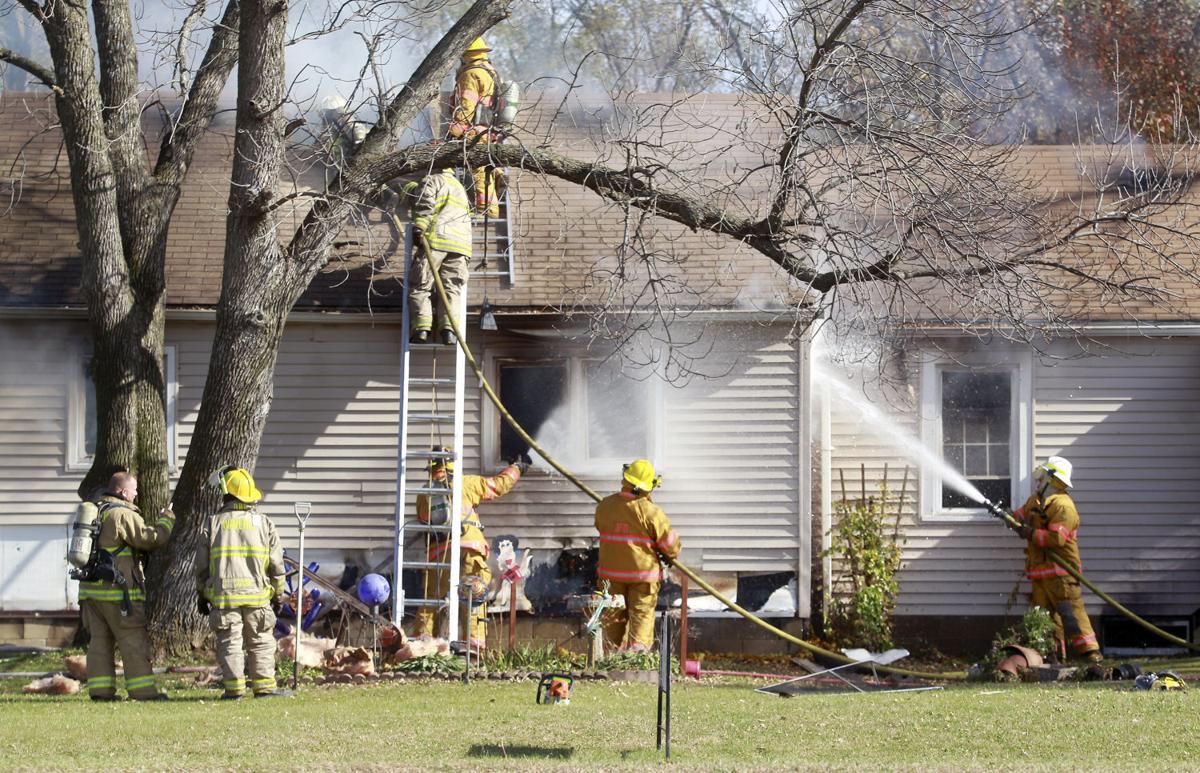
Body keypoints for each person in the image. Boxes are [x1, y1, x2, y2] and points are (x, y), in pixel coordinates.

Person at [410, 449, 529, 650]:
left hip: (438, 554)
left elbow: (423, 521)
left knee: (431, 601)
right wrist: (517, 468)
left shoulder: (425, 492)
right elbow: (499, 485)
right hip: (469, 550)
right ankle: (472, 650)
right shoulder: (467, 482)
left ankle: (423, 648)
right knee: (472, 595)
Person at [78, 471, 174, 701]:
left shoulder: (96, 510)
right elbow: (150, 539)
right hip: (118, 592)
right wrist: (166, 520)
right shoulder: (122, 514)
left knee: (99, 642)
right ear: (122, 491)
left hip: (91, 593)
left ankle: (100, 692)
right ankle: (143, 692)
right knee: (132, 640)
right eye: (134, 490)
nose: (137, 493)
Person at [196, 466, 291, 699]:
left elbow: (201, 566)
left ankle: (234, 690)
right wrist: (278, 595)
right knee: (260, 641)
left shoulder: (213, 523)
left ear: (225, 494)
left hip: (224, 597)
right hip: (258, 597)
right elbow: (277, 565)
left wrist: (202, 594)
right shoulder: (264, 523)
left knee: (230, 643)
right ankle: (265, 688)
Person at [1012, 456, 1102, 663]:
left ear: (1052, 479)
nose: (1038, 481)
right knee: (1046, 618)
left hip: (1061, 575)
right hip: (1040, 573)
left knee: (1071, 615)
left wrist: (1028, 532)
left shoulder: (1063, 507)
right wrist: (1010, 517)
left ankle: (1091, 655)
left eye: (1042, 477)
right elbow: (1021, 516)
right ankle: (1053, 658)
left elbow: (1056, 539)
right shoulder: (1035, 501)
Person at [594, 459, 681, 652]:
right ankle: (637, 660)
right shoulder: (652, 513)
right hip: (642, 577)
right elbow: (671, 547)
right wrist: (669, 554)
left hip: (610, 577)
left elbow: (602, 527)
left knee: (611, 619)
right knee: (641, 618)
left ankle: (605, 660)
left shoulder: (604, 506)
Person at [402, 169, 473, 345]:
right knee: (451, 289)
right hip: (461, 246)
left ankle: (421, 329)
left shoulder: (432, 180)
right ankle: (449, 331)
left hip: (437, 241)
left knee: (420, 284)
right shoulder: (459, 187)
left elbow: (425, 205)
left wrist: (419, 226)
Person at [448, 37, 503, 218]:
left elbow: (466, 107)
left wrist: (454, 132)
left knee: (479, 171)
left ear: (465, 55)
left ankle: (488, 210)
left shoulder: (470, 74)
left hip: (475, 131)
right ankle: (497, 172)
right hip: (490, 130)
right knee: (487, 165)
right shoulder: (490, 72)